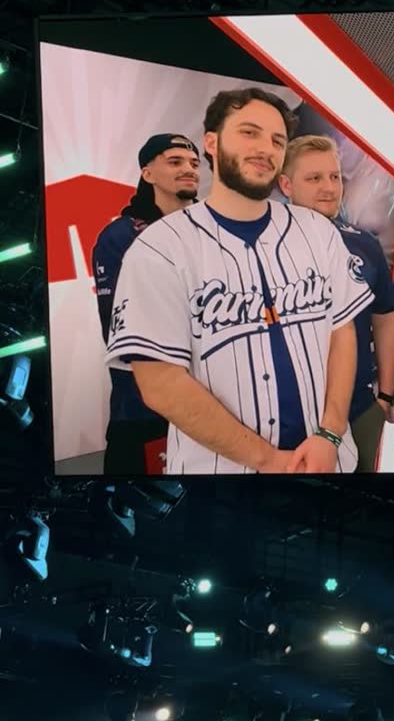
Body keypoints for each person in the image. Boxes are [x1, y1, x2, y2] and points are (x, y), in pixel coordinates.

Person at [105, 88, 373, 474]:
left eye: (277, 140)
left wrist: (330, 433)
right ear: (211, 143)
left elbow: (342, 332)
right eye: (249, 132)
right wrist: (270, 460)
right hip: (220, 472)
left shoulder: (319, 231)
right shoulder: (158, 247)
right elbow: (159, 382)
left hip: (329, 460)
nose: (265, 148)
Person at [278, 135, 394, 472]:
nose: (329, 188)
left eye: (335, 177)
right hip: (289, 409)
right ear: (286, 185)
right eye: (314, 178)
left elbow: (385, 318)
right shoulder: (264, 246)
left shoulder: (364, 244)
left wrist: (385, 393)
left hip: (359, 405)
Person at [92, 133, 201, 475]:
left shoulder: (213, 233)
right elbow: (120, 333)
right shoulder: (120, 237)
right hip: (143, 410)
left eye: (194, 163)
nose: (189, 169)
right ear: (147, 173)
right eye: (175, 162)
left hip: (215, 403)